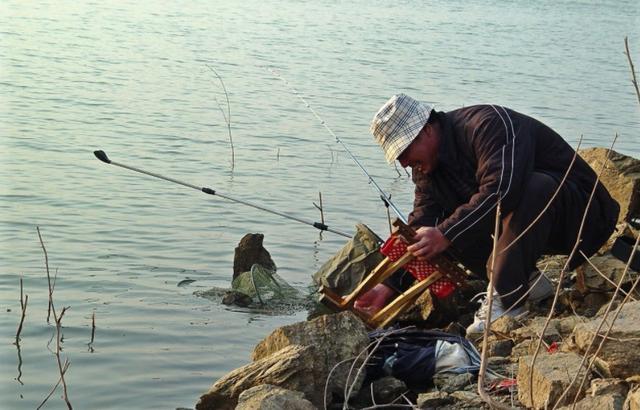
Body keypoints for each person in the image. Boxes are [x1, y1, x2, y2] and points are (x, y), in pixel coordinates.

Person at [354, 93, 619, 334]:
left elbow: (503, 190)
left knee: (524, 190)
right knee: (437, 230)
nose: (402, 163)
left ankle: (507, 299)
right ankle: (528, 283)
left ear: (425, 130)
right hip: (539, 227)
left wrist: (446, 233)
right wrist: (388, 285)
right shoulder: (427, 170)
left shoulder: (486, 125)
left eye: (403, 151)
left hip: (585, 216)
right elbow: (424, 220)